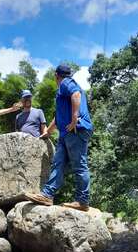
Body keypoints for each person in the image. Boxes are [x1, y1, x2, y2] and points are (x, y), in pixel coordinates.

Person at [25, 64, 93, 211]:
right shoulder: (63, 90)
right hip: (65, 133)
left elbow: (76, 95)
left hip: (76, 130)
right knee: (58, 163)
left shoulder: (66, 83)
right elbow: (58, 117)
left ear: (56, 75)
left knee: (79, 165)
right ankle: (47, 195)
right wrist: (48, 132)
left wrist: (75, 119)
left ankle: (83, 201)